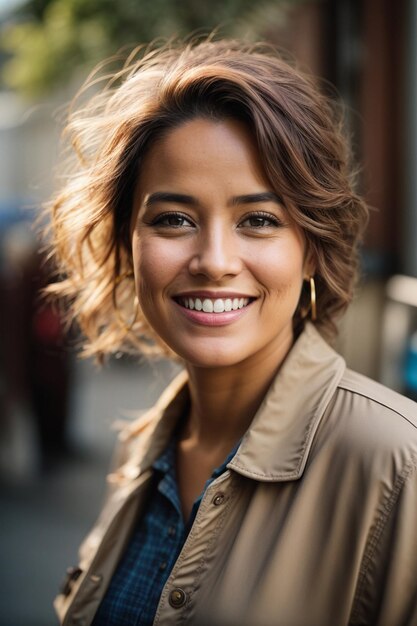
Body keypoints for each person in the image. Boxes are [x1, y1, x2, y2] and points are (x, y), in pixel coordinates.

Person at [49, 39, 417, 626]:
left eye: (259, 220)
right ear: (128, 244)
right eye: (174, 219)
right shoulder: (141, 454)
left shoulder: (400, 468)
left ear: (312, 249)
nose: (214, 259)